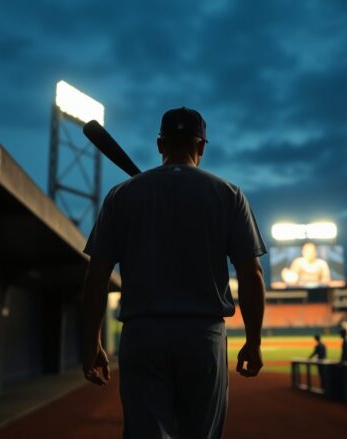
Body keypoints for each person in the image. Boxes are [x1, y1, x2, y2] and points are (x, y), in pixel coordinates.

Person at [81, 107, 267, 439]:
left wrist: (92, 340)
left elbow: (96, 276)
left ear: (159, 144)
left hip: (142, 335)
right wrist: (253, 342)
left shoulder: (122, 196)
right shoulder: (228, 194)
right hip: (203, 337)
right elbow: (251, 275)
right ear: (202, 146)